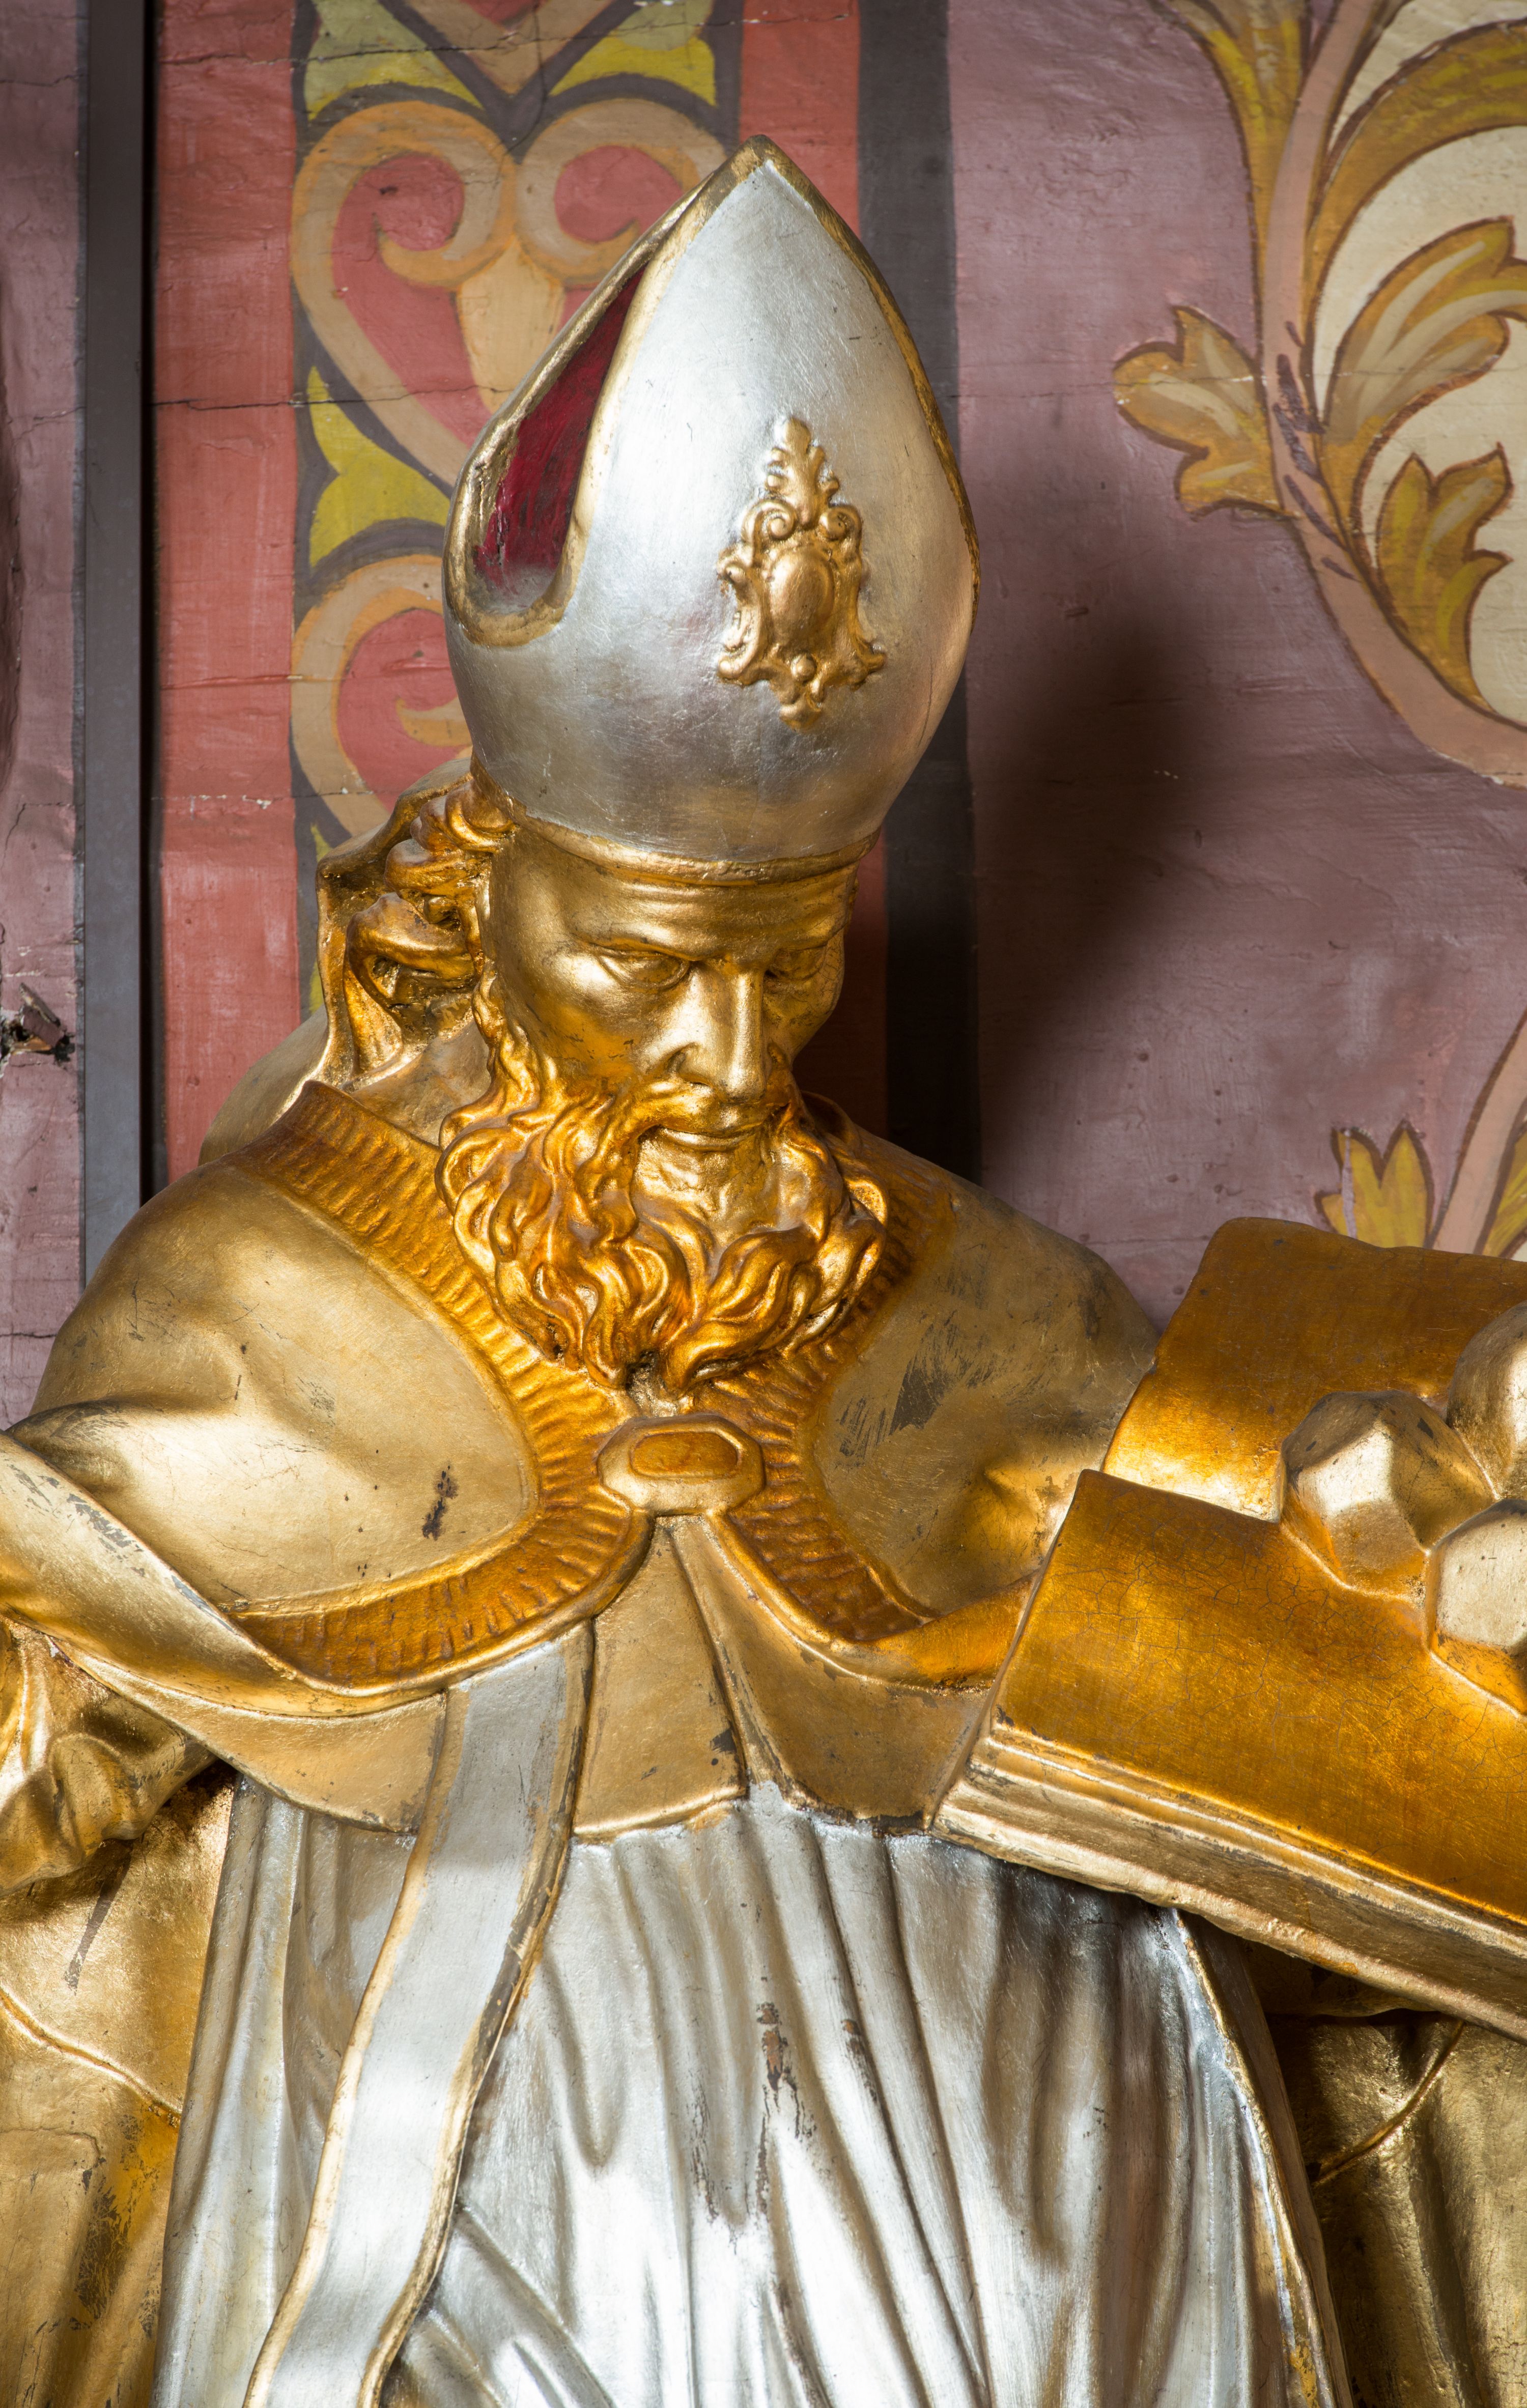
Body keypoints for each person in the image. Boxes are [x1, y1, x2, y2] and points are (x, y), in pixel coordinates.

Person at [0, 138, 1352, 2406]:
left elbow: (1261, 1649)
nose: (734, 1061)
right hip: (443, 2228)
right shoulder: (251, 1292)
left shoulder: (982, 1296)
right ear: (492, 876)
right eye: (648, 967)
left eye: (789, 958)